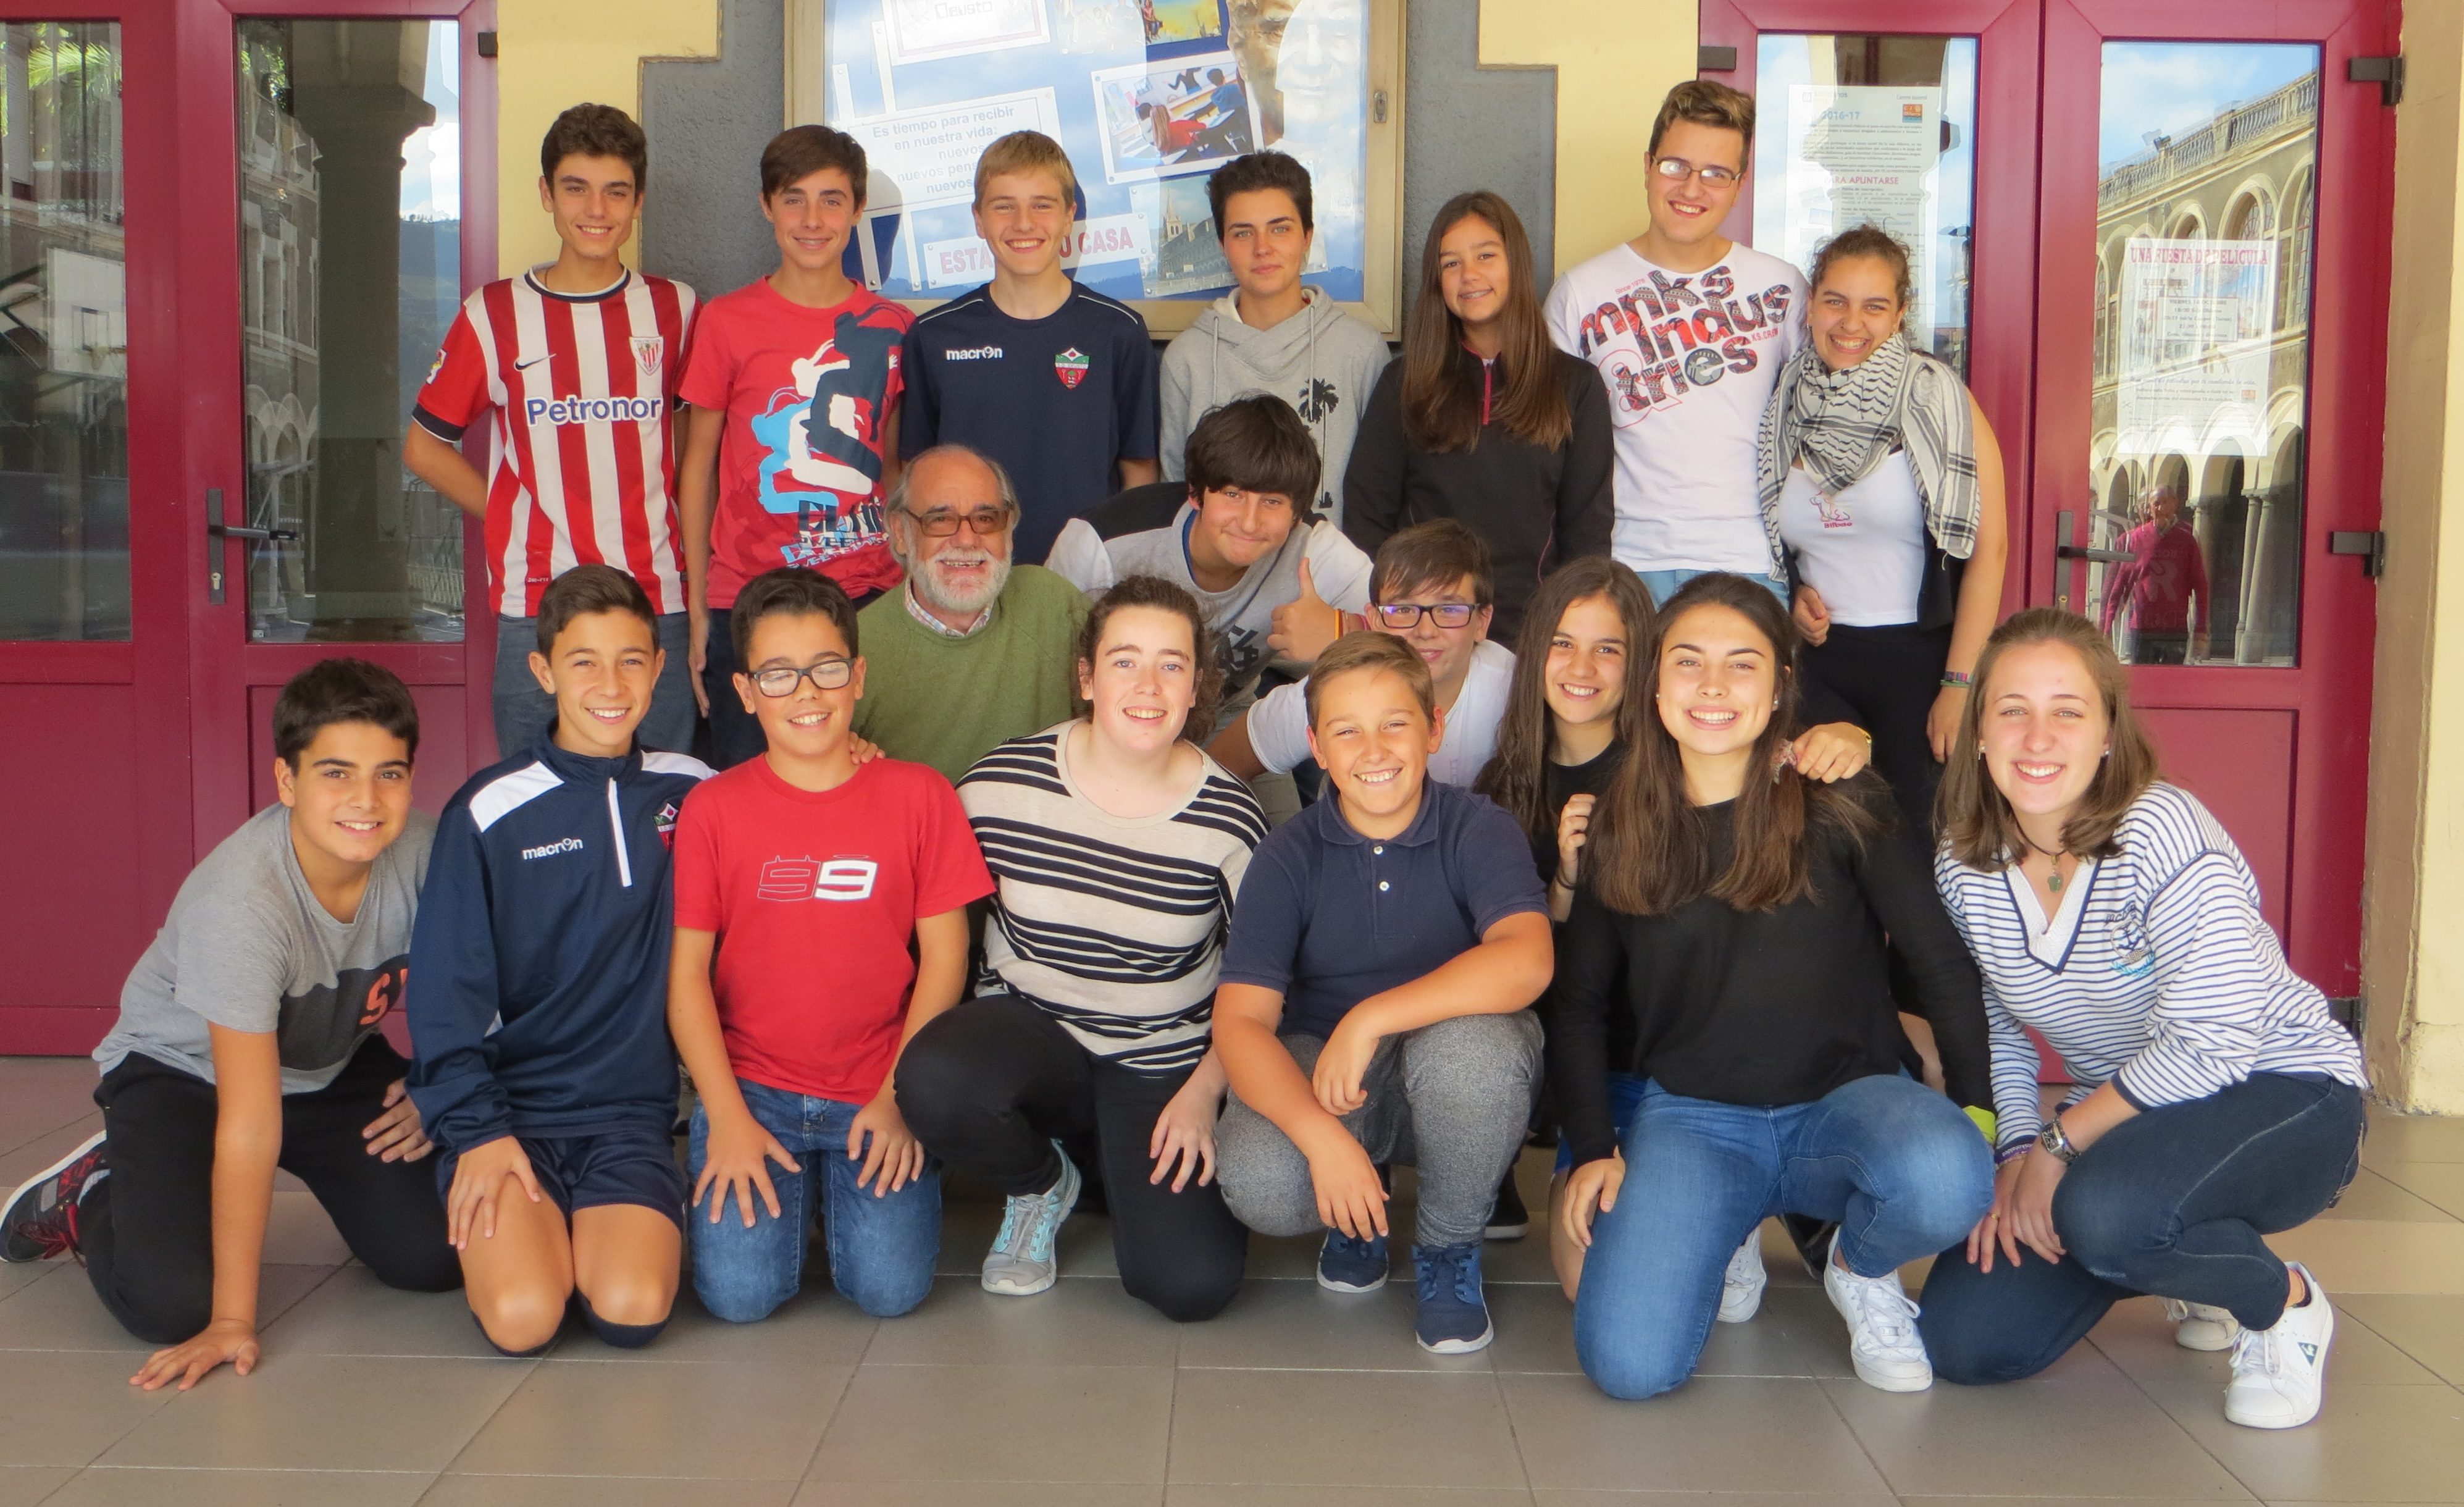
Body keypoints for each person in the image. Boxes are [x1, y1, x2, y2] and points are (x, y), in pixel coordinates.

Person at [1918, 608, 2368, 1430]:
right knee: (1965, 1339)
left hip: (2285, 1089)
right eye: (2012, 710)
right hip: (2134, 1114)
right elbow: (2000, 1028)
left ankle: (2280, 1304)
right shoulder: (1963, 858)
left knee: (2110, 1216)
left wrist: (2058, 1145)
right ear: (1978, 731)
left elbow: (2213, 1044)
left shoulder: (2160, 828)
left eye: (2068, 711)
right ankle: (2176, 1254)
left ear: (2106, 734)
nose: (2038, 737)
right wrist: (2016, 1152)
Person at [1552, 572, 1995, 1400]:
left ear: (1781, 685)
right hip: (1696, 1119)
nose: (1713, 686)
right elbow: (1577, 1006)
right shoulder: (1620, 824)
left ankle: (1858, 1266)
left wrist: (1977, 1114)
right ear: (1653, 683)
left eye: (1742, 664)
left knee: (1953, 1175)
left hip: (1845, 1103)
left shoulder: (1839, 797)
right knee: (1628, 1367)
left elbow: (1938, 960)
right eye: (1688, 662)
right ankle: (1729, 1225)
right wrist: (1593, 1147)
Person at [2, 661, 459, 1389]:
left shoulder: (431, 853)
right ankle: (94, 1190)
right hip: (186, 1073)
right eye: (336, 773)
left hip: (328, 1062)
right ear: (287, 781)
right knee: (171, 1304)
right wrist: (232, 1321)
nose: (366, 800)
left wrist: (440, 1084)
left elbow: (500, 984)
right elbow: (250, 1120)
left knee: (435, 1254)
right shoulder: (243, 902)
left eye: (389, 774)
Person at [898, 576, 1265, 1320]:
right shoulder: (1000, 786)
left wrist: (1206, 1090)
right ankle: (1041, 1182)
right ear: (1087, 676)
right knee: (933, 1077)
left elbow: (1260, 986)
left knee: (1190, 1285)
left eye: (1171, 663)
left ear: (1196, 685)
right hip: (1033, 1037)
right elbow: (918, 892)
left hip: (1162, 1057)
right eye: (1125, 660)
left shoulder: (1230, 820)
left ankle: (1111, 1162)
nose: (1148, 685)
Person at [1212, 631, 1555, 1354]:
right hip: (1333, 1078)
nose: (1373, 749)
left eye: (1395, 723)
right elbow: (1241, 1023)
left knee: (1476, 1053)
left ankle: (1448, 1244)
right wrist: (1322, 1141)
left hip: (1451, 1066)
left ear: (1433, 729)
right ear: (1316, 746)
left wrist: (1371, 1017)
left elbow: (1527, 959)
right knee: (1262, 1179)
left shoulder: (1478, 828)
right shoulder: (1287, 854)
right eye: (1347, 731)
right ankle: (1358, 1206)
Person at [668, 568, 992, 1322]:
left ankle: (829, 1193)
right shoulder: (712, 809)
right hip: (752, 1089)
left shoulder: (920, 795)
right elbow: (686, 979)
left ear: (859, 676)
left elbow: (947, 958)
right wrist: (728, 1117)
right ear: (746, 691)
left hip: (878, 1079)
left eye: (827, 668)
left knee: (891, 1291)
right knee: (739, 1299)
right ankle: (796, 1191)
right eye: (778, 674)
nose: (807, 693)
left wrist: (899, 1096)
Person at [407, 565, 714, 1355]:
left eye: (632, 660)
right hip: (511, 1118)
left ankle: (588, 1232)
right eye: (584, 662)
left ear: (660, 666)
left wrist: (853, 754)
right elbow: (444, 995)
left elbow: (796, 805)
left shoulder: (697, 792)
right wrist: (475, 1131)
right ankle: (530, 1237)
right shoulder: (487, 810)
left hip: (630, 1118)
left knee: (632, 1309)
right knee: (524, 1318)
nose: (611, 685)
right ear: (543, 672)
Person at [406, 104, 699, 758]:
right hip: (537, 602)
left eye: (616, 191)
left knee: (664, 791)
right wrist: (510, 513)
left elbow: (688, 444)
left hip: (656, 598)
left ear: (638, 201)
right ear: (546, 194)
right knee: (537, 793)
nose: (596, 208)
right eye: (576, 188)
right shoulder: (494, 312)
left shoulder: (676, 307)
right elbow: (424, 446)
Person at [1756, 222, 2011, 838]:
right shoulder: (1783, 400)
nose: (1852, 323)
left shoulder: (1942, 402)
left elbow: (1991, 550)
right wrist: (1792, 598)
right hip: (1818, 668)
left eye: (1874, 306)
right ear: (1811, 304)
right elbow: (1781, 539)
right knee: (1823, 844)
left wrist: (1959, 685)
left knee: (1918, 846)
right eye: (1836, 301)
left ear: (1900, 314)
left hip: (1920, 670)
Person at [679, 125, 913, 769]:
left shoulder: (895, 328)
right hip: (748, 599)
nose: (813, 220)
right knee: (753, 785)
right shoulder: (726, 321)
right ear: (766, 206)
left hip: (867, 596)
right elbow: (697, 469)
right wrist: (697, 607)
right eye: (794, 199)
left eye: (832, 200)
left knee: (866, 781)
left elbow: (895, 471)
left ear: (857, 210)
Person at [1543, 81, 1807, 606]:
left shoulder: (1782, 288)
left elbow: (1818, 431)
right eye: (1675, 166)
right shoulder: (1579, 293)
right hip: (1623, 566)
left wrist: (1813, 571)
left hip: (1750, 563)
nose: (1692, 188)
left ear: (1740, 185)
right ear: (1647, 166)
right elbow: (1548, 452)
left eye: (1716, 173)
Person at [1471, 558, 1656, 1264]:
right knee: (1590, 1275)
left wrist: (1849, 737)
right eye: (1563, 643)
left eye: (1609, 648)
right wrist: (1566, 887)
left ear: (1639, 663)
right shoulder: (1503, 784)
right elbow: (1499, 965)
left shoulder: (1671, 770)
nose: (1582, 667)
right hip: (1567, 1057)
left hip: (1665, 1058)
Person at [1344, 190, 1613, 644]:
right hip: (1425, 635)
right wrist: (1402, 618)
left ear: (1516, 263)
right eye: (1451, 263)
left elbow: (1588, 533)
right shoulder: (1404, 383)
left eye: (1485, 256)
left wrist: (1565, 633)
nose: (1469, 275)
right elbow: (1366, 518)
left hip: (1533, 635)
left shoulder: (1577, 386)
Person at [901, 131, 1159, 565]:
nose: (1024, 223)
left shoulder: (1118, 331)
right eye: (1004, 206)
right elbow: (914, 471)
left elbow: (1140, 470)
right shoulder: (935, 336)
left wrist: (1125, 567)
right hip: (967, 570)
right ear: (978, 219)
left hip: (1086, 578)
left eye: (1042, 205)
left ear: (1069, 216)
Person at [1048, 393, 1373, 714]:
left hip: (1226, 716)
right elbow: (1044, 665)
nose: (1249, 522)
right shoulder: (1101, 542)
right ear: (1195, 493)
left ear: (1297, 513)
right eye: (1232, 495)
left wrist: (1347, 630)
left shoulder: (1314, 548)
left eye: (1272, 501)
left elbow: (1402, 622)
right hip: (1110, 719)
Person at [1159, 151, 1392, 527]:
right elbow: (1176, 494)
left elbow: (1379, 494)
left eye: (1280, 229)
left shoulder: (1360, 350)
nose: (1262, 248)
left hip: (1329, 562)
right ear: (1222, 244)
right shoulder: (1186, 358)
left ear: (1307, 236)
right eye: (1243, 233)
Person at [1210, 519, 1513, 791]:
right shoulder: (1338, 687)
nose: (1425, 630)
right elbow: (1225, 763)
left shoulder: (1516, 688)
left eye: (1449, 609)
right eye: (1402, 610)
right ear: (1375, 620)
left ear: (1482, 622)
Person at [850, 445, 1091, 785]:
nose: (966, 540)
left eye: (986, 519)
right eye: (940, 520)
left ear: (1009, 529)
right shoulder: (854, 648)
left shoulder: (1054, 603)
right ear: (901, 532)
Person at [2098, 484, 2210, 665]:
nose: (2161, 508)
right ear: (2149, 507)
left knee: (2172, 679)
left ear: (2175, 504)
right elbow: (2119, 585)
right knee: (2142, 678)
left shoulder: (2187, 539)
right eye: (2156, 503)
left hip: (2175, 629)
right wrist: (2107, 624)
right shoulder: (2135, 539)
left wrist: (2201, 629)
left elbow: (2201, 586)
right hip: (2143, 628)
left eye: (2165, 502)